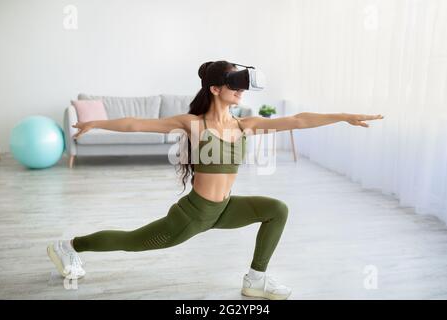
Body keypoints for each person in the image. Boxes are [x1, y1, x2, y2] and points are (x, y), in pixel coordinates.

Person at [47, 60, 384, 300]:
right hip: (193, 215)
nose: (241, 90)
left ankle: (256, 279)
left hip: (223, 209)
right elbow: (137, 124)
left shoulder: (244, 124)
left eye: (241, 84)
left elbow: (297, 119)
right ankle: (69, 246)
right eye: (233, 85)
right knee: (133, 241)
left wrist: (344, 116)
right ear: (215, 88)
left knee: (276, 209)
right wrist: (97, 124)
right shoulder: (194, 124)